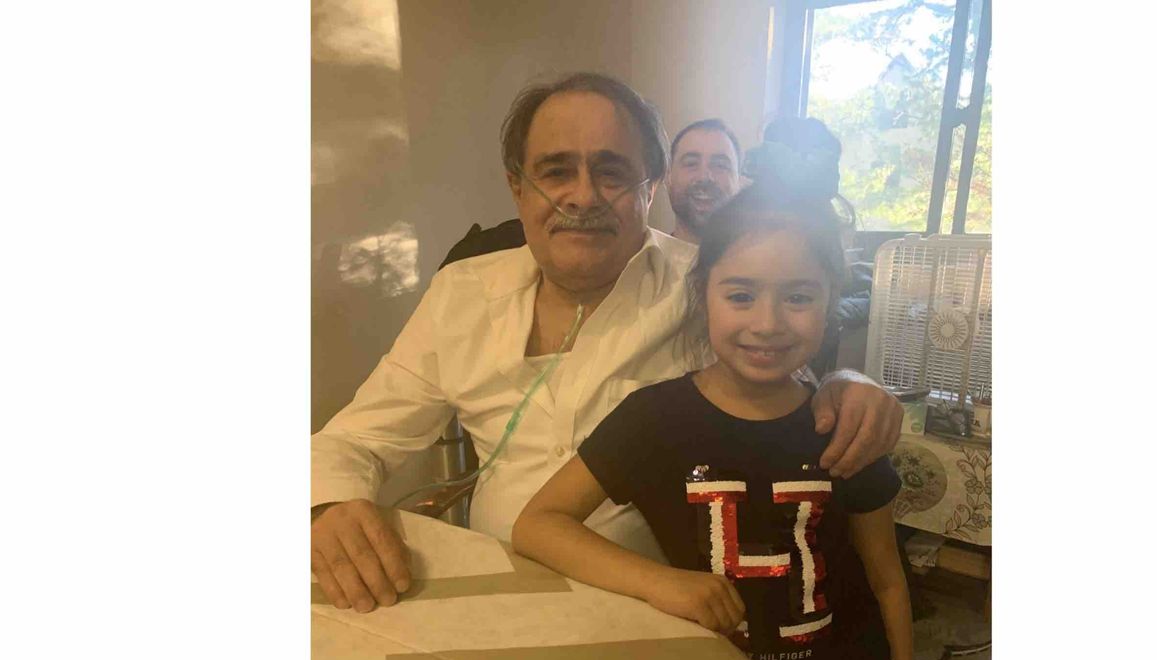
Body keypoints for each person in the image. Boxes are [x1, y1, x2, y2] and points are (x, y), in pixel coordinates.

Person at [311, 72, 903, 615]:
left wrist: (847, 383)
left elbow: (780, 373)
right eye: (556, 172)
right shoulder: (461, 294)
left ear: (651, 188)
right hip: (498, 596)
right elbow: (356, 437)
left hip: (664, 607)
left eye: (612, 173)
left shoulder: (704, 287)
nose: (583, 196)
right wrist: (329, 505)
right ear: (518, 189)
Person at [512, 147, 913, 660]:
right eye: (741, 294)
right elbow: (538, 524)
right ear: (704, 295)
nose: (768, 322)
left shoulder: (847, 427)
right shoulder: (654, 419)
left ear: (830, 303)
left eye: (799, 297)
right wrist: (661, 583)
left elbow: (887, 579)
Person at [666, 118, 742, 244]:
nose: (704, 177)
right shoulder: (641, 257)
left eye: (720, 165)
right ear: (668, 177)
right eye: (691, 164)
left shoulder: (766, 257)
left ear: (739, 181)